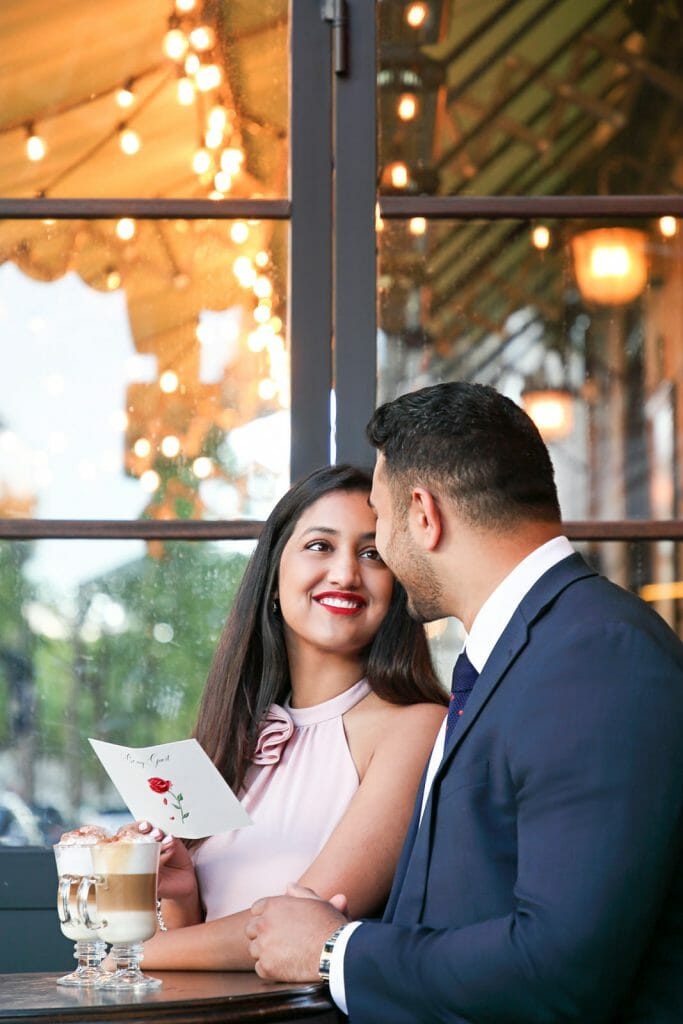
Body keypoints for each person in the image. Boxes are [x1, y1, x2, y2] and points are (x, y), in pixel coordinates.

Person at [246, 382, 683, 1023]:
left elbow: (560, 970)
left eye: (380, 520)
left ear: (423, 514)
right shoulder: (510, 656)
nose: (383, 553)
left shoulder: (596, 652)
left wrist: (333, 950)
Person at [137, 463, 447, 970]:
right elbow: (195, 945)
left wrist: (125, 958)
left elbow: (298, 925)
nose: (346, 572)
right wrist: (181, 891)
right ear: (275, 580)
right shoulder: (232, 735)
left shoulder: (416, 727)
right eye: (320, 546)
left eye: (372, 554)